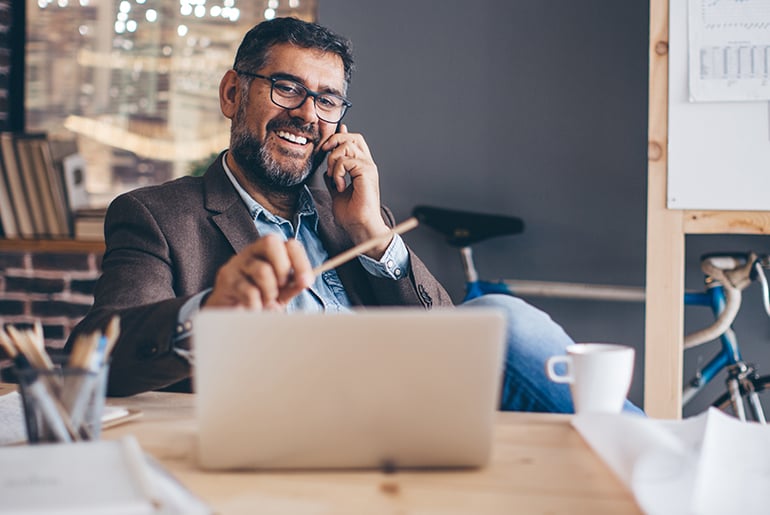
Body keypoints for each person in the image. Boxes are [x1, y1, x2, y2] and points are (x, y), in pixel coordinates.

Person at [66, 17, 641, 414]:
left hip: (407, 416)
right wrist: (211, 311)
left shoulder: (353, 219)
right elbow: (97, 354)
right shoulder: (158, 216)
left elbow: (445, 335)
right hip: (287, 428)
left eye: (327, 100)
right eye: (287, 88)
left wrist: (374, 235)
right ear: (232, 95)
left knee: (499, 324)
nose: (306, 114)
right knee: (502, 320)